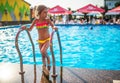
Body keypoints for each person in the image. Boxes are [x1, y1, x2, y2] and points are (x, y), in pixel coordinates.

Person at [21, 5, 57, 71]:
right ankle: (44, 67)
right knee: (42, 55)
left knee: (43, 51)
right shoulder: (36, 21)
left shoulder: (47, 20)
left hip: (47, 40)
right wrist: (25, 27)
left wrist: (54, 27)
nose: (46, 14)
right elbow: (30, 29)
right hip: (40, 41)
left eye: (47, 12)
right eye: (44, 12)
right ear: (39, 12)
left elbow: (53, 26)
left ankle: (49, 59)